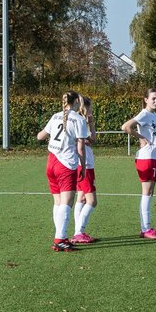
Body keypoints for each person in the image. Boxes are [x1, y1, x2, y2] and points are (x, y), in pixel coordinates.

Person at [37, 91, 89, 252]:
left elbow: (40, 136)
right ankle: (60, 239)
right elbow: (80, 147)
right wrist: (84, 166)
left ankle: (60, 237)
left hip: (51, 162)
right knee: (66, 203)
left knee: (58, 202)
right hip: (65, 164)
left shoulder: (55, 116)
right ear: (75, 103)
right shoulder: (79, 119)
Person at [122, 88, 156, 240]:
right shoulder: (145, 114)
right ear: (146, 99)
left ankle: (146, 227)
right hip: (145, 158)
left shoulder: (153, 114)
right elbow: (125, 126)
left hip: (152, 157)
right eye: (153, 98)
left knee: (150, 192)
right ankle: (145, 228)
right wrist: (140, 137)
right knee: (146, 192)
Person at [71, 95, 99, 244]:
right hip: (84, 165)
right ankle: (78, 232)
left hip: (87, 164)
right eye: (90, 107)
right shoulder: (76, 121)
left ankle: (78, 232)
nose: (91, 110)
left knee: (81, 198)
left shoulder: (84, 122)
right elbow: (76, 141)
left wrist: (91, 121)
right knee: (92, 201)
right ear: (84, 107)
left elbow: (92, 139)